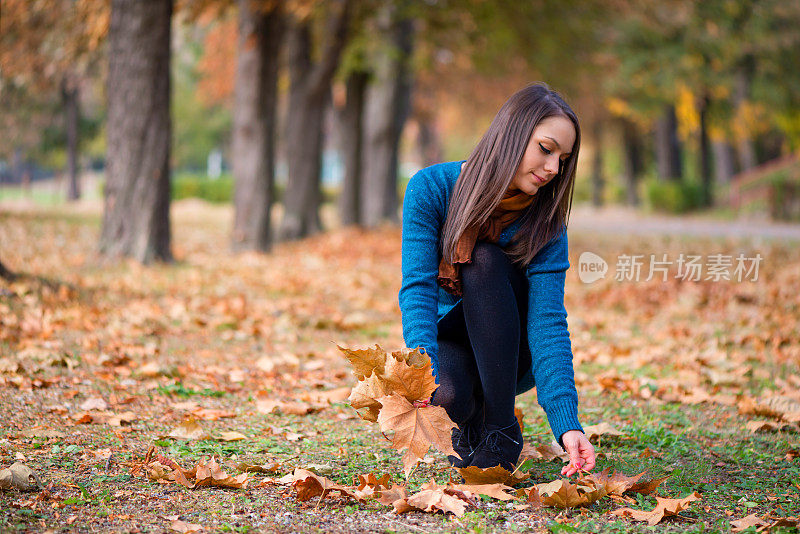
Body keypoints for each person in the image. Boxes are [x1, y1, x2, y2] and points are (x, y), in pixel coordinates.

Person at [399, 83, 596, 475]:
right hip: (454, 339)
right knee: (447, 396)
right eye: (546, 148)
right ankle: (472, 420)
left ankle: (501, 427)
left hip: (514, 351)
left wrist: (567, 423)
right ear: (512, 135)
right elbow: (418, 288)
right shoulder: (431, 189)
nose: (554, 168)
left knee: (484, 258)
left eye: (563, 158)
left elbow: (547, 321)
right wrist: (424, 373)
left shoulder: (546, 223)